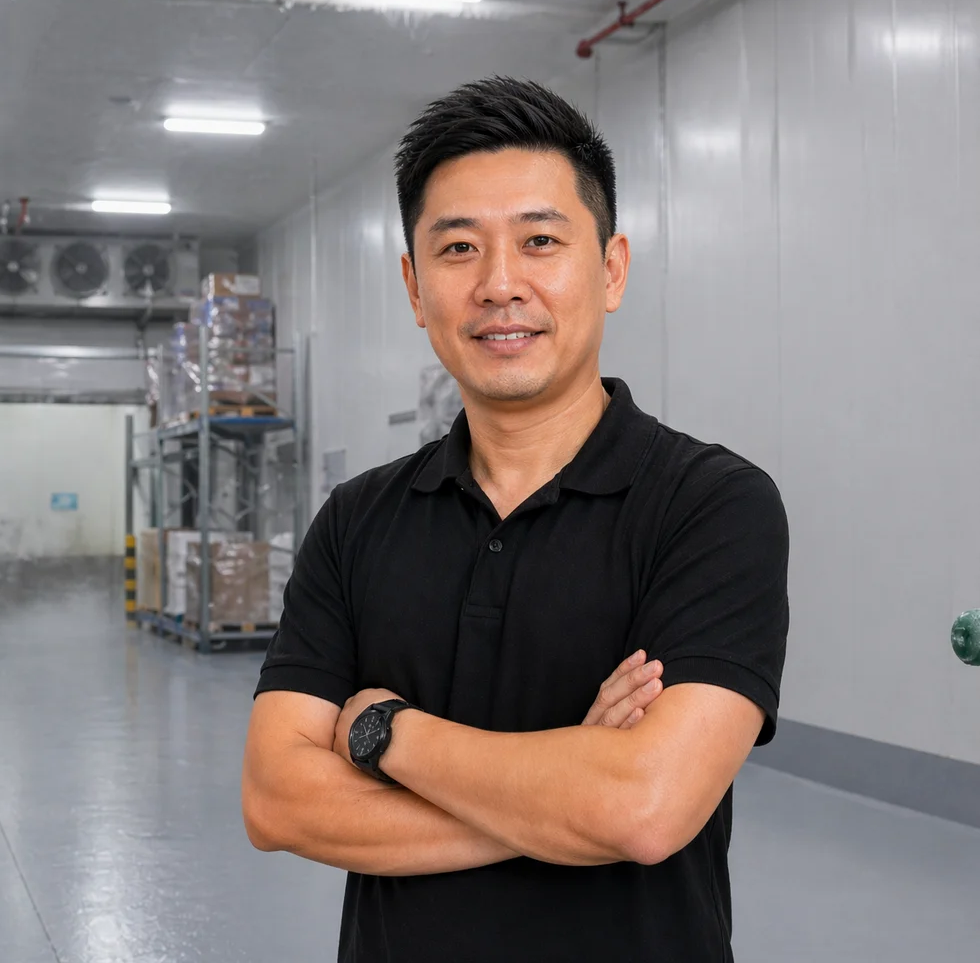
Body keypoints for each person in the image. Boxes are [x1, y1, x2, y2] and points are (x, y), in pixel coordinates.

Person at [240, 75, 790, 962]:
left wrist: (384, 732)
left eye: (540, 240)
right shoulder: (357, 520)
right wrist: (571, 783)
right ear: (417, 290)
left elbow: (646, 810)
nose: (501, 285)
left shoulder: (712, 505)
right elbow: (276, 801)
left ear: (609, 270)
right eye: (459, 249)